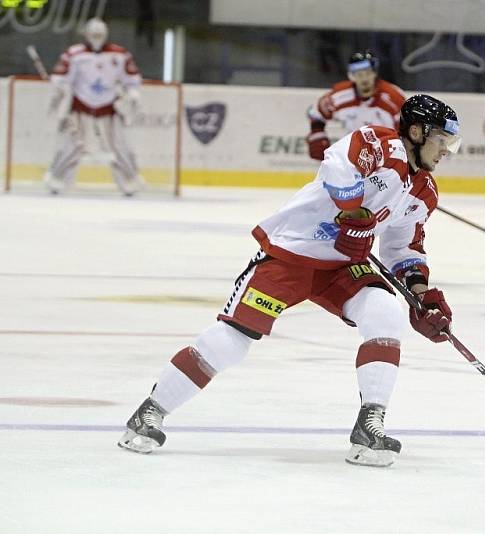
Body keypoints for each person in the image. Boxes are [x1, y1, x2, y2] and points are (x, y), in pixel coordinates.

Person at [118, 94, 462, 467]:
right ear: (416, 131)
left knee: (385, 312)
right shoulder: (379, 144)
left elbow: (403, 248)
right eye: (442, 141)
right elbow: (337, 166)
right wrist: (356, 212)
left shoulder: (423, 192)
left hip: (343, 266)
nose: (446, 151)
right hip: (291, 252)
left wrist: (421, 294)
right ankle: (150, 412)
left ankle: (369, 426)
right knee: (233, 341)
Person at [45, 18, 145, 196]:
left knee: (119, 146)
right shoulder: (74, 54)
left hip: (108, 106)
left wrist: (133, 93)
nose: (96, 38)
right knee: (73, 145)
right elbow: (61, 77)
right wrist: (58, 91)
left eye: (100, 35)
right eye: (94, 34)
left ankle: (130, 180)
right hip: (81, 106)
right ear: (87, 35)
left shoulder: (120, 54)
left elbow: (131, 78)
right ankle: (56, 178)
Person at [306, 50, 406, 161]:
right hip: (353, 158)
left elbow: (406, 130)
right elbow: (317, 113)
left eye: (367, 73)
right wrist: (317, 135)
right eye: (359, 74)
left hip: (387, 157)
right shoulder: (339, 95)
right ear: (352, 76)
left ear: (374, 73)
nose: (364, 79)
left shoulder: (394, 98)